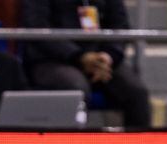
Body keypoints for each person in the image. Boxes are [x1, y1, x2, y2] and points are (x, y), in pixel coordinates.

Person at [20, 0, 152, 127]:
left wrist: (108, 56)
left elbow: (120, 25)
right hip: (52, 59)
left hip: (100, 59)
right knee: (76, 89)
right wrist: (79, 56)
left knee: (136, 92)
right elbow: (37, 28)